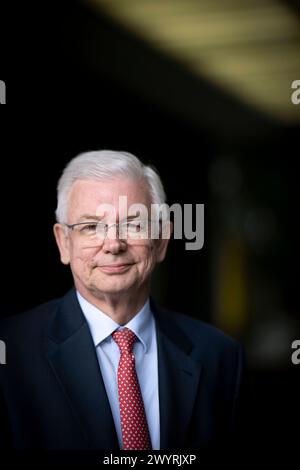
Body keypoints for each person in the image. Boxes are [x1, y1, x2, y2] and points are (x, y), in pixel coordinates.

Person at [0, 150, 244, 451]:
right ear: (64, 243)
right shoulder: (10, 351)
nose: (113, 245)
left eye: (133, 224)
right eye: (91, 227)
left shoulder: (219, 355)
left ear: (161, 241)